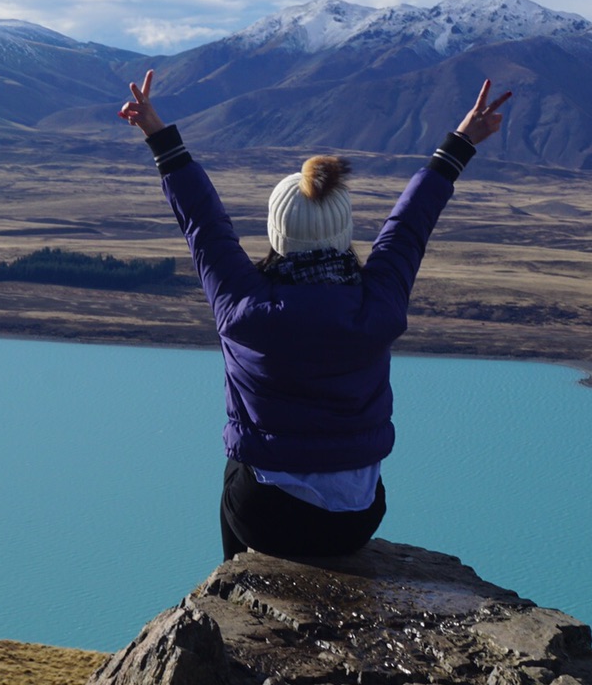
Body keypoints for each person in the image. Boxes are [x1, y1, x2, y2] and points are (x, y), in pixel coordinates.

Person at [120, 70, 512, 560]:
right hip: (356, 520)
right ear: (343, 231)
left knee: (235, 475)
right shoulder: (378, 301)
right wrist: (461, 143)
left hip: (266, 518)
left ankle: (234, 599)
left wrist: (159, 135)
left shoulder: (243, 305)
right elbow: (411, 223)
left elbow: (203, 220)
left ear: (276, 233)